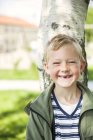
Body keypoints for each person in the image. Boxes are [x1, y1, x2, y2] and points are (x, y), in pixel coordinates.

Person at [25, 34, 93, 140]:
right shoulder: (38, 109)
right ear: (47, 68)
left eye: (71, 62)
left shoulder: (91, 104)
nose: (64, 68)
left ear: (81, 66)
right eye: (57, 63)